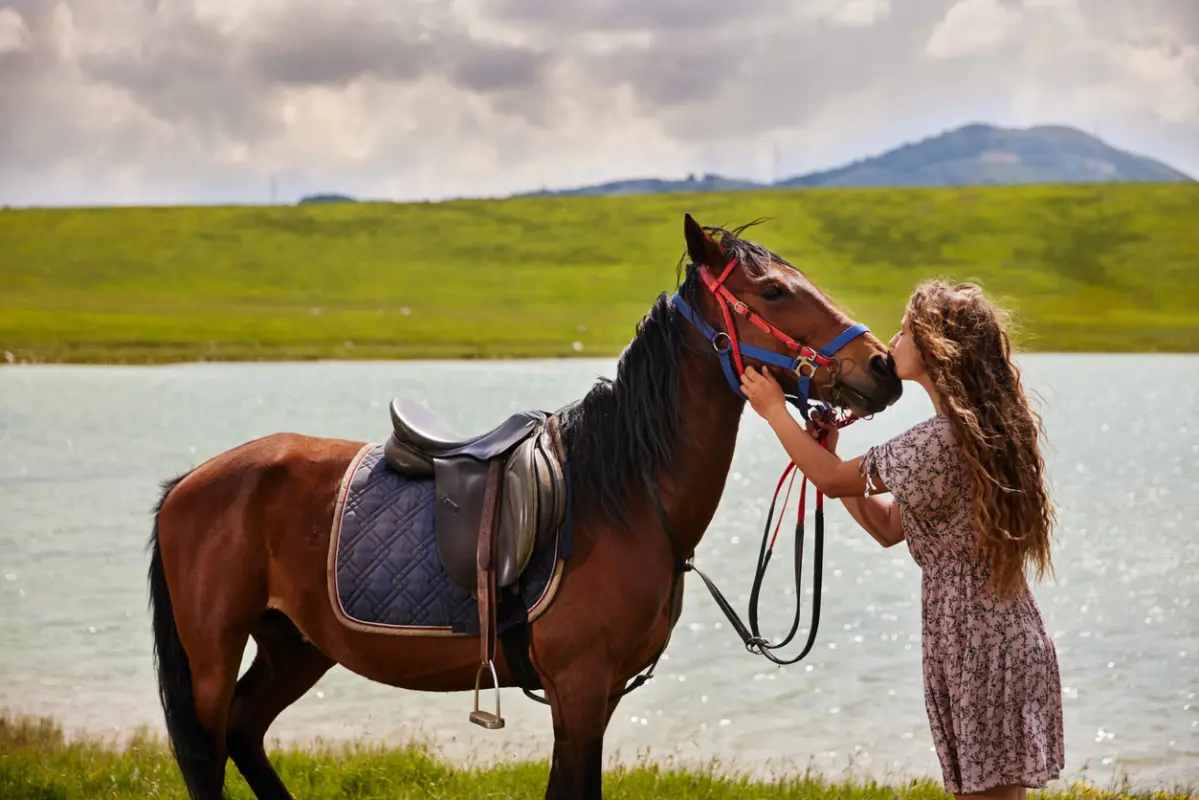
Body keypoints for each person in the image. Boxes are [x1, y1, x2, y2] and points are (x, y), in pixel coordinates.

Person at [740, 280, 1065, 800]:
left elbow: (829, 478)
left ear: (936, 346)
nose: (893, 339)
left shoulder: (939, 440)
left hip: (978, 642)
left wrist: (775, 411)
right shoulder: (971, 430)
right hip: (984, 634)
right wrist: (830, 449)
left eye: (906, 330)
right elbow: (888, 527)